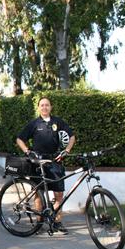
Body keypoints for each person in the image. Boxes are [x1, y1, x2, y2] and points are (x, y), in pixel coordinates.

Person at [16, 96, 76, 234]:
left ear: (51, 107)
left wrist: (67, 150)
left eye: (47, 105)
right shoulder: (34, 123)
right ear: (38, 108)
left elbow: (71, 136)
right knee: (38, 194)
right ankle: (39, 224)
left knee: (59, 194)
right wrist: (27, 151)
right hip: (38, 162)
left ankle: (57, 222)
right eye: (42, 105)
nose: (44, 107)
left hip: (55, 161)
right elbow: (19, 139)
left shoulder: (58, 122)